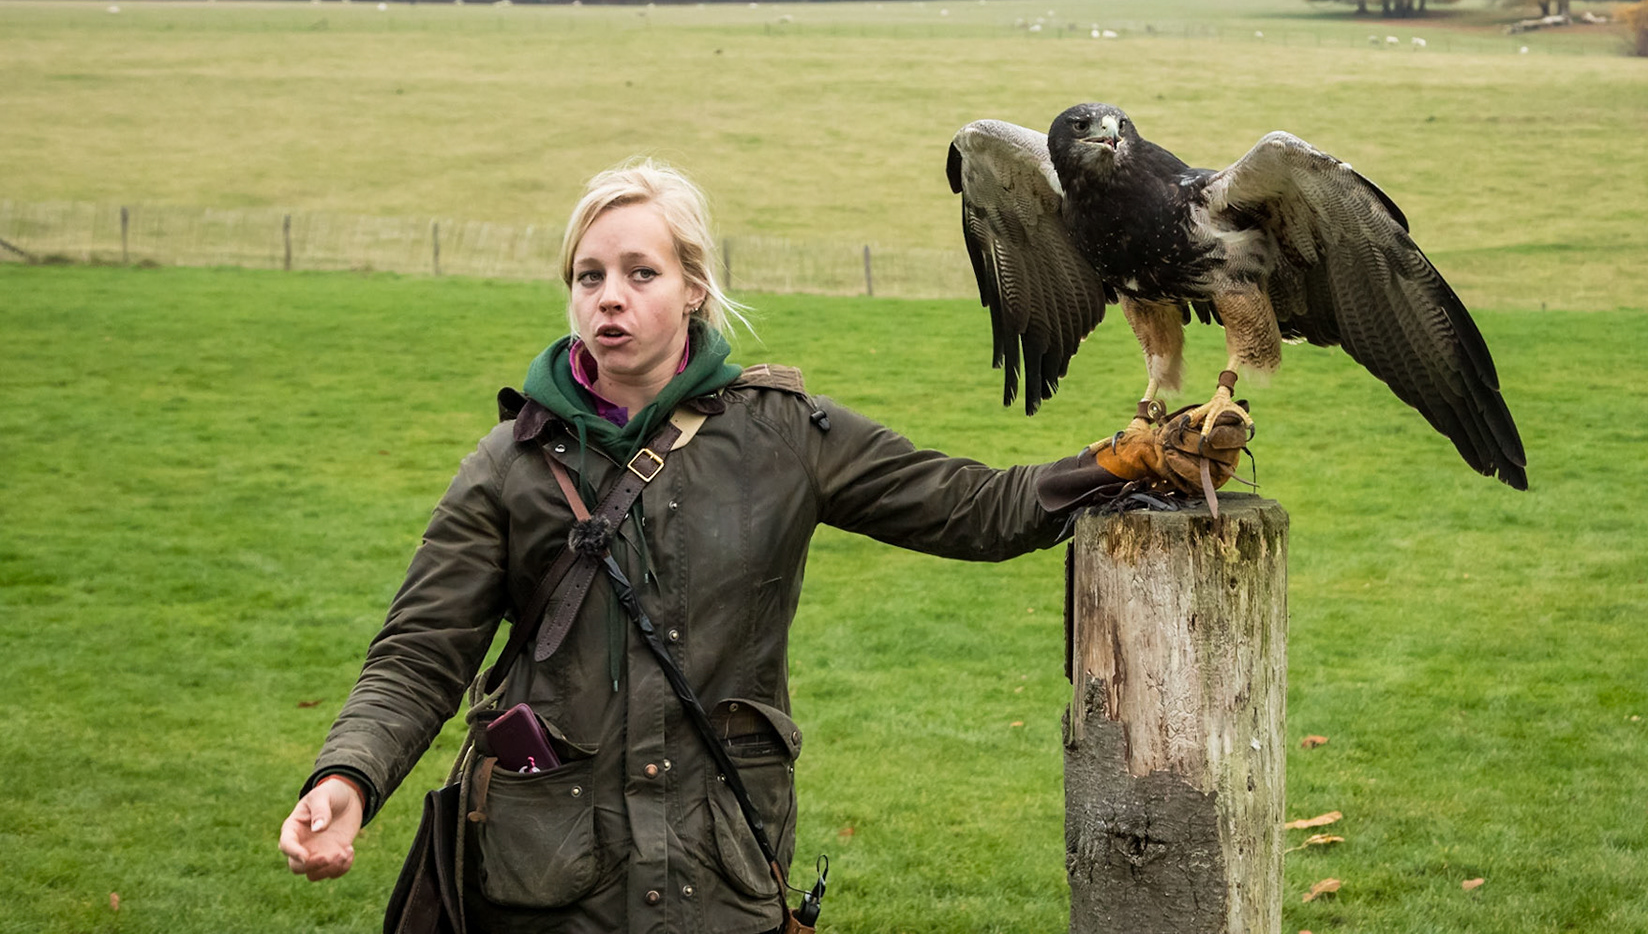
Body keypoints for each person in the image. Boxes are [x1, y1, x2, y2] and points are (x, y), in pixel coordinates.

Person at [278, 159, 1242, 933]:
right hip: (544, 882)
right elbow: (416, 657)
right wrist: (347, 776)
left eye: (639, 273)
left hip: (720, 872)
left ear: (693, 289)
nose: (609, 297)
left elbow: (970, 506)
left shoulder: (783, 436)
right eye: (589, 276)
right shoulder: (509, 465)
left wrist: (1120, 463)